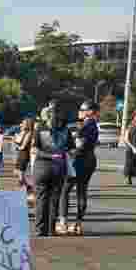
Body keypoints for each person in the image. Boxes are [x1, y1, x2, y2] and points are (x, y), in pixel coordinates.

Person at [31, 102, 74, 237]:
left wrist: (47, 154)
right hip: (58, 167)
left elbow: (34, 149)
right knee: (54, 199)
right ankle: (50, 229)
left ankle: (39, 230)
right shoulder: (66, 130)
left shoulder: (39, 128)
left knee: (40, 199)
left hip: (42, 167)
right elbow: (71, 149)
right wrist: (61, 153)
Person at [57, 101, 99, 236]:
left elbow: (79, 145)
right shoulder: (94, 126)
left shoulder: (85, 126)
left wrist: (69, 152)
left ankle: (63, 223)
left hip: (78, 161)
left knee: (65, 190)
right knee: (82, 191)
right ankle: (78, 224)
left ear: (90, 111)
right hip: (90, 160)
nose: (79, 111)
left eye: (82, 109)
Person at [14, 117, 35, 194]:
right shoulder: (24, 132)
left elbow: (23, 145)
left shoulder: (29, 133)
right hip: (21, 153)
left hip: (24, 154)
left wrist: (17, 145)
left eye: (24, 123)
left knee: (20, 173)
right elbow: (18, 141)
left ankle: (26, 188)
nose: (21, 125)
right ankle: (27, 187)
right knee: (17, 172)